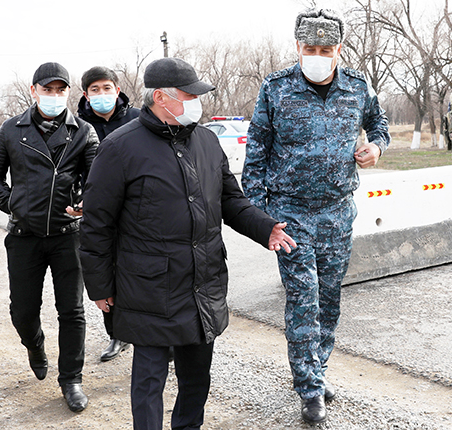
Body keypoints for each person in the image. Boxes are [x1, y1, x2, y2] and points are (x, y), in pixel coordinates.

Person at [78, 57, 296, 430]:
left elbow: (231, 200)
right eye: (189, 94)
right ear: (161, 97)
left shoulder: (207, 141)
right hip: (148, 288)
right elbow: (96, 225)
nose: (198, 101)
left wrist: (266, 228)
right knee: (149, 383)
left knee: (196, 379)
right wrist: (99, 287)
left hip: (201, 283)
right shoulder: (119, 148)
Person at [242, 8, 390, 425]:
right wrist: (260, 219)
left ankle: (316, 368)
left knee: (329, 299)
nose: (318, 55)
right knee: (303, 298)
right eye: (311, 48)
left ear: (339, 50)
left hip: (338, 214)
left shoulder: (358, 88)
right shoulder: (275, 89)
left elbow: (379, 125)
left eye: (326, 49)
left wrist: (377, 147)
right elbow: (255, 156)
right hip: (290, 214)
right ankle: (308, 388)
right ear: (298, 47)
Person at [0, 62, 98, 412]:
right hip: (24, 236)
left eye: (60, 90)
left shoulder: (83, 132)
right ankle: (34, 344)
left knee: (73, 311)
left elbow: (96, 180)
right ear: (34, 91)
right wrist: (11, 204)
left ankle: (71, 380)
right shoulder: (10, 129)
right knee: (23, 311)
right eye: (47, 89)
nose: (54, 96)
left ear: (68, 93)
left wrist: (84, 202)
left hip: (67, 235)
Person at [77, 66, 139, 362]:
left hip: (139, 210)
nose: (101, 94)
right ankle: (117, 334)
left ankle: (159, 338)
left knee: (144, 273)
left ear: (117, 88)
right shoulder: (76, 126)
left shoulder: (138, 118)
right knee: (107, 274)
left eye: (106, 87)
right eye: (94, 90)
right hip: (100, 213)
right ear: (86, 95)